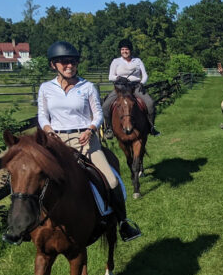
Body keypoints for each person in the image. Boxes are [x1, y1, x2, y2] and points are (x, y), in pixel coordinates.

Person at [37, 41, 142, 242]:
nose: (70, 66)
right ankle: (29, 223)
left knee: (111, 180)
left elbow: (98, 114)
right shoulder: (46, 88)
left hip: (85, 139)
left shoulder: (87, 86)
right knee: (34, 179)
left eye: (73, 62)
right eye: (64, 62)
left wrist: (91, 129)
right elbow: (42, 116)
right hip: (57, 141)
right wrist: (49, 131)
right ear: (53, 65)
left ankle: (123, 222)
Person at [103, 39, 160, 139]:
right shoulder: (116, 61)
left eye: (127, 49)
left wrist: (142, 83)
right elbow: (110, 76)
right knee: (105, 106)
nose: (124, 51)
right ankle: (109, 128)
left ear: (130, 50)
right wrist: (118, 78)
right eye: (122, 49)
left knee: (150, 103)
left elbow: (145, 75)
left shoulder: (137, 61)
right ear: (120, 51)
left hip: (135, 87)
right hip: (120, 87)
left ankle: (151, 126)